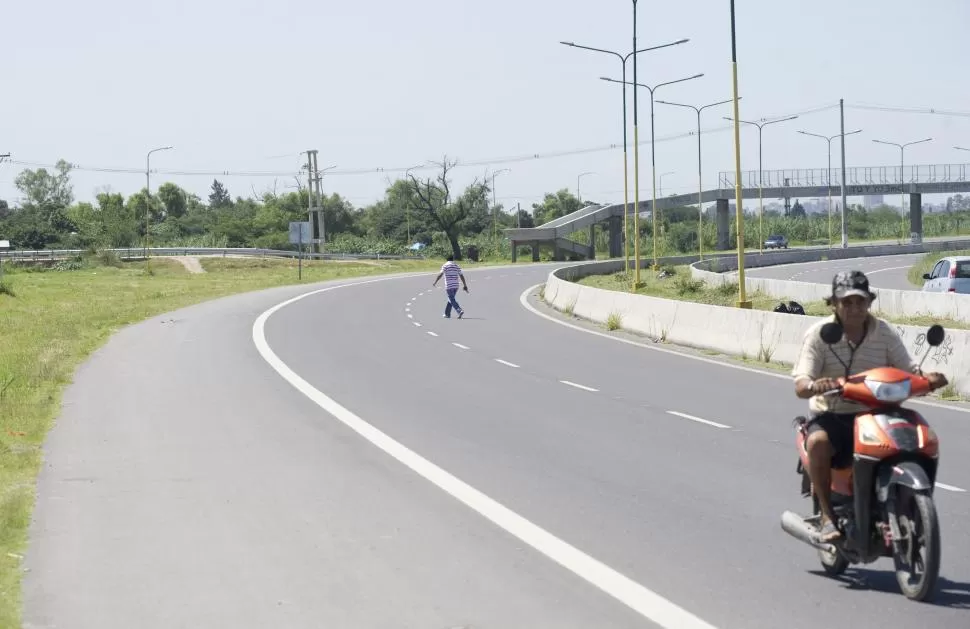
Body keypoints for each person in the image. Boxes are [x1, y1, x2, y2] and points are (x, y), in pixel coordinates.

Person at [791, 270, 948, 543]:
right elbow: (802, 381)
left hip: (878, 413)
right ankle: (828, 516)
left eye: (860, 302)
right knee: (817, 442)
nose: (854, 308)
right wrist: (814, 385)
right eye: (847, 302)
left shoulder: (884, 333)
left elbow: (908, 368)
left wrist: (928, 379)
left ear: (869, 303)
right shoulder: (819, 335)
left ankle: (904, 504)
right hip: (835, 414)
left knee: (921, 437)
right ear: (834, 304)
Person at [432, 254, 468, 319]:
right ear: (453, 259)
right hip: (456, 285)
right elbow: (461, 275)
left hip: (449, 285)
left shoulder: (445, 265)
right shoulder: (456, 265)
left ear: (447, 259)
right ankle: (447, 314)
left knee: (451, 299)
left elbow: (440, 274)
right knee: (451, 299)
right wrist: (465, 285)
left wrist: (435, 282)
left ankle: (459, 310)